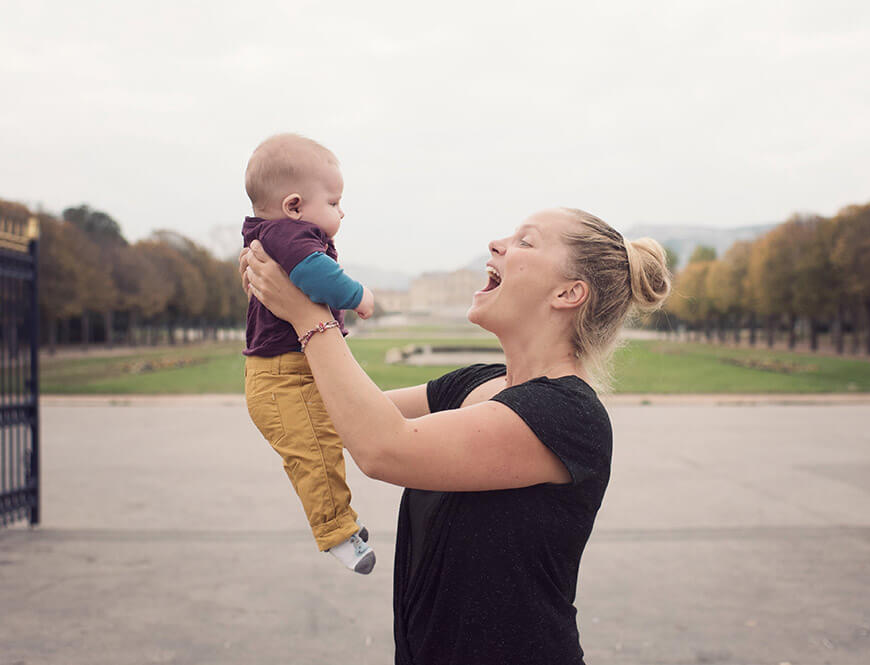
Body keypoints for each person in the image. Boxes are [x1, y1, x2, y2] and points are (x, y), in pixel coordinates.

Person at [241, 207, 672, 664]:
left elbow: (383, 448)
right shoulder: (475, 383)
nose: (496, 244)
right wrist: (277, 314)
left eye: (526, 242)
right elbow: (336, 415)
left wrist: (309, 317)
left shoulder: (569, 416)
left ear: (569, 292)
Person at [242, 133, 377, 574]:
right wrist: (358, 296)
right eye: (335, 202)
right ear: (295, 205)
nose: (342, 211)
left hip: (288, 372)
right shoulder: (290, 234)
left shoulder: (274, 234)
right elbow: (317, 275)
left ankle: (340, 521)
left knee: (323, 446)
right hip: (283, 377)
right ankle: (337, 532)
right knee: (315, 454)